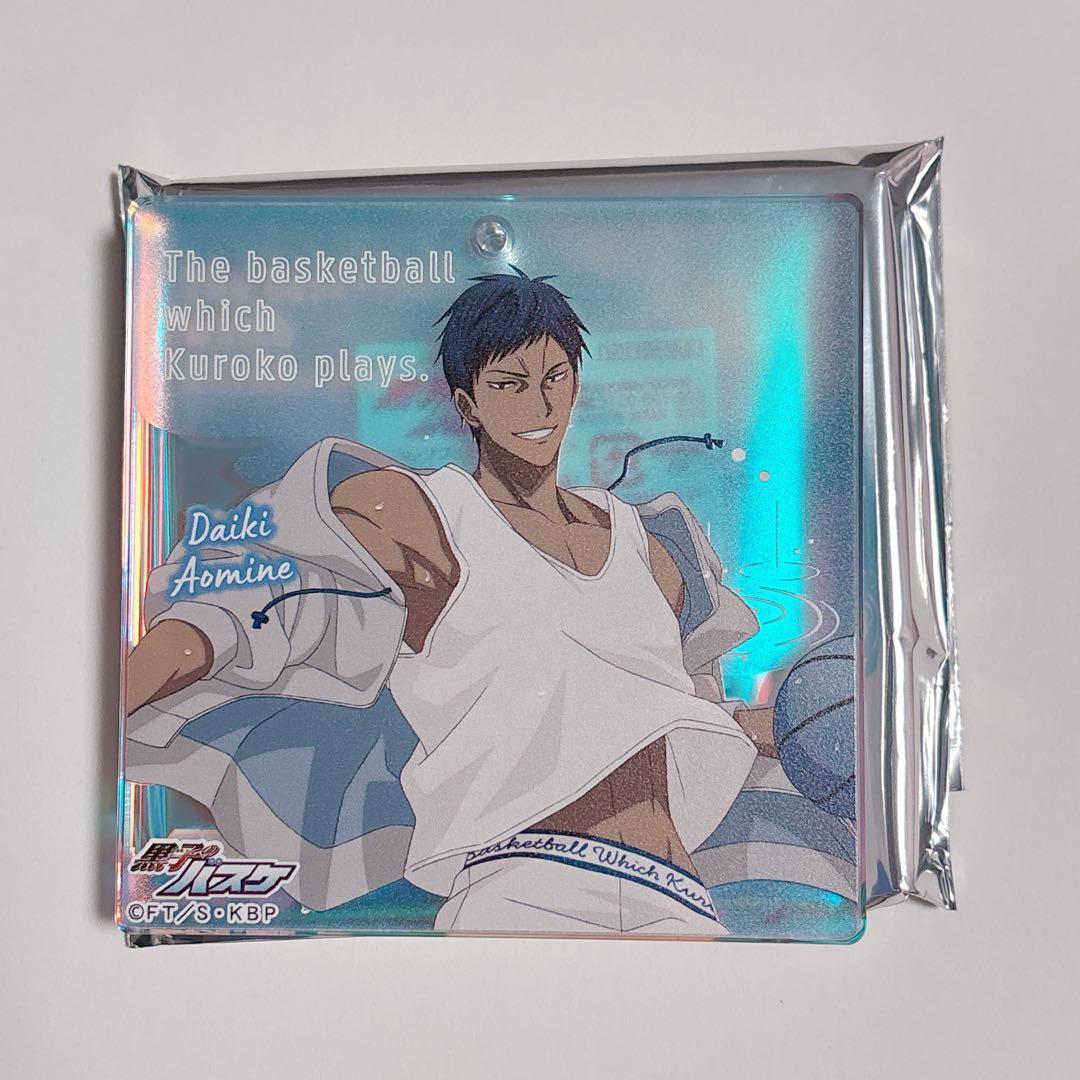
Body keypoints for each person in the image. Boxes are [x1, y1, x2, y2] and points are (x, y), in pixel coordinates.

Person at [126, 268, 774, 936]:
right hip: (525, 882)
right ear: (467, 404)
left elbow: (648, 703)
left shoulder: (647, 546)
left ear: (576, 384)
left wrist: (779, 728)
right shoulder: (426, 515)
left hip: (673, 888)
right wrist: (109, 707)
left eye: (554, 378)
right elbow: (237, 605)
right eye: (509, 384)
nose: (539, 405)